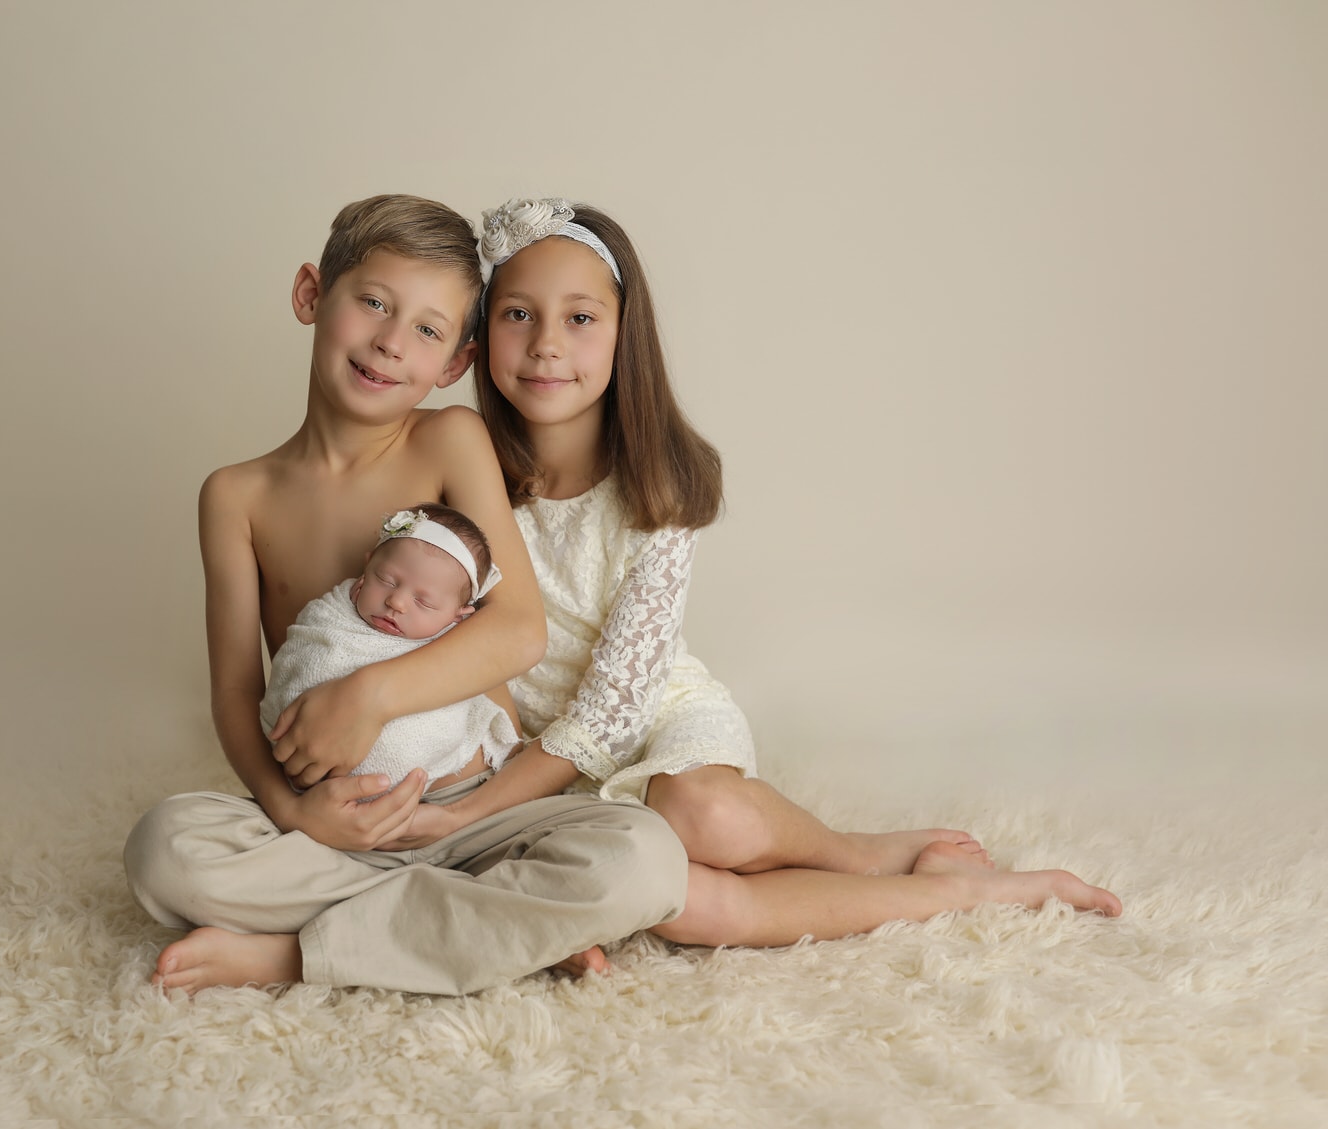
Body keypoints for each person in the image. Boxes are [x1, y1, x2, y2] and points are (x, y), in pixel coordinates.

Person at [288, 197, 1120, 950]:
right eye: (516, 314)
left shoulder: (658, 488)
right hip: (521, 751)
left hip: (642, 716)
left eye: (581, 318)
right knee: (685, 909)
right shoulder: (454, 463)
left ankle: (866, 854)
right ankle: (948, 892)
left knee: (704, 813)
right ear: (473, 346)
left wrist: (474, 811)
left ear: (624, 334)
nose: (547, 345)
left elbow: (617, 706)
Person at [122, 195, 687, 996]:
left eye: (426, 329)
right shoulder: (236, 497)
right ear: (313, 295)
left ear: (453, 363)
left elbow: (519, 629)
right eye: (374, 303)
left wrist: (371, 694)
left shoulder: (449, 441)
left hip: (475, 809)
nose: (391, 342)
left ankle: (295, 955)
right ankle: (491, 929)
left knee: (648, 859)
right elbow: (235, 690)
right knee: (163, 849)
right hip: (332, 821)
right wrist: (292, 814)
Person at [258, 503, 518, 790]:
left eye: (424, 602)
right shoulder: (331, 614)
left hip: (422, 792)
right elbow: (301, 661)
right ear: (366, 568)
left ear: (458, 617)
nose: (396, 602)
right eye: (386, 580)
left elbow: (443, 719)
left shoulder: (453, 651)